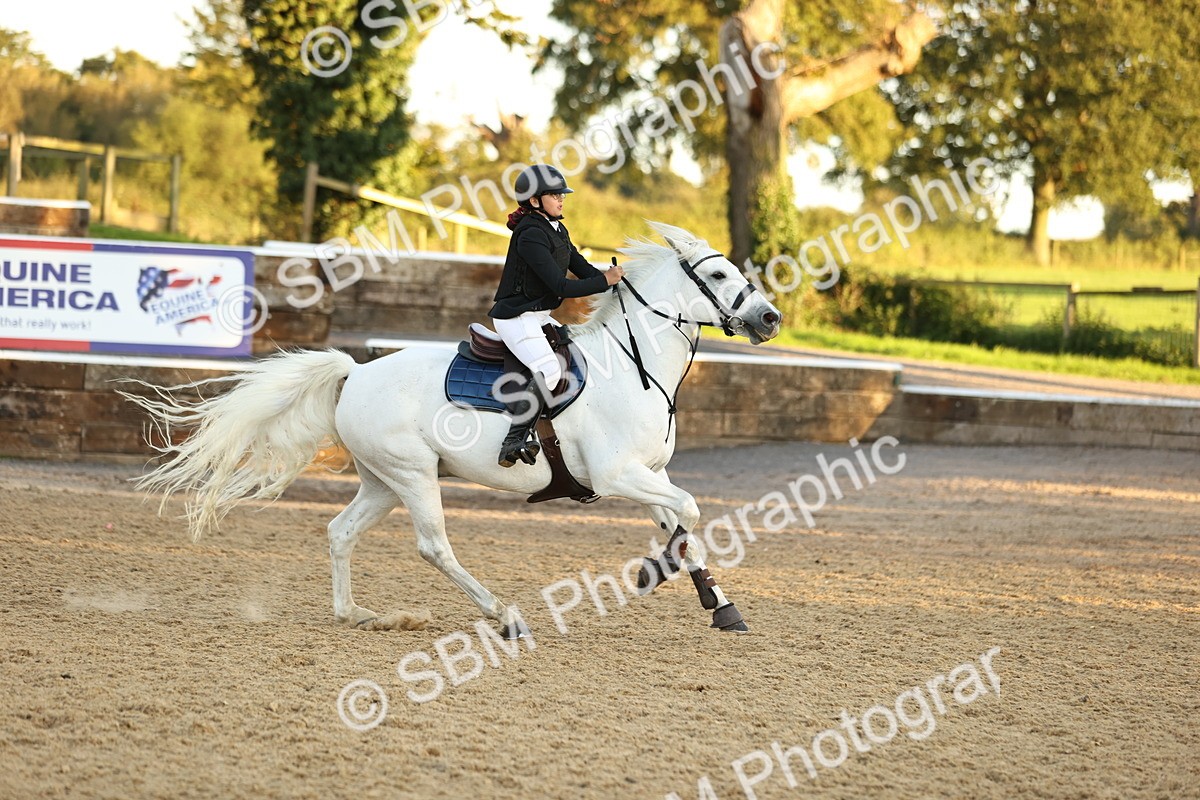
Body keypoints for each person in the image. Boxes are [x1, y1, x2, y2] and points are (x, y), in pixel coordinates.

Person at [489, 164, 624, 468]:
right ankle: (513, 440)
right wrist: (604, 282)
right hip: (516, 317)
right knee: (550, 369)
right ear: (534, 201)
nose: (562, 199)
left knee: (575, 350)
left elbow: (581, 266)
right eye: (554, 195)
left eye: (562, 194)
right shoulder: (529, 235)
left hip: (538, 315)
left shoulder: (556, 228)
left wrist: (617, 283)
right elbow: (560, 285)